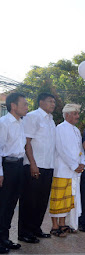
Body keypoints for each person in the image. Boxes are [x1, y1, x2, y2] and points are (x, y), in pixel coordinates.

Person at [18, 93, 56, 243]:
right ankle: (24, 232)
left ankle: (35, 228)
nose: (53, 104)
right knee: (29, 200)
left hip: (48, 165)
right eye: (50, 101)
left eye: (54, 102)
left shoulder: (51, 120)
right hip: (34, 165)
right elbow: (27, 142)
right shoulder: (33, 116)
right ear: (41, 102)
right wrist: (32, 163)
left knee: (41, 201)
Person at [49, 104, 85, 237]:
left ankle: (63, 223)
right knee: (58, 198)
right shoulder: (60, 128)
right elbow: (61, 149)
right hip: (62, 170)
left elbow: (81, 150)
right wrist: (74, 165)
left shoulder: (76, 130)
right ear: (67, 115)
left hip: (73, 171)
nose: (77, 116)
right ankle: (54, 226)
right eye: (75, 114)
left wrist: (82, 163)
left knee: (67, 199)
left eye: (77, 113)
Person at [0, 93, 28, 253]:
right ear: (13, 106)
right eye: (24, 104)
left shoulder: (20, 123)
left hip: (18, 166)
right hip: (6, 166)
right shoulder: (4, 123)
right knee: (2, 205)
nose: (26, 107)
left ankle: (5, 238)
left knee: (11, 205)